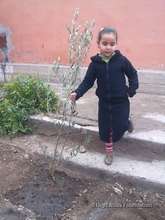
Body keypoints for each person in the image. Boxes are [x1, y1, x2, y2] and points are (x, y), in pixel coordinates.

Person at [70, 27, 139, 165]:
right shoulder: (95, 64)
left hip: (121, 101)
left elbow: (133, 74)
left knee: (119, 125)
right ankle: (109, 152)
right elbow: (87, 82)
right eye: (105, 43)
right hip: (104, 102)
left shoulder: (121, 60)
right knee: (106, 129)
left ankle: (126, 123)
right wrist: (77, 93)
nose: (108, 47)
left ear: (116, 44)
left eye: (112, 44)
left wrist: (132, 89)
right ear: (98, 44)